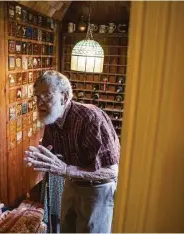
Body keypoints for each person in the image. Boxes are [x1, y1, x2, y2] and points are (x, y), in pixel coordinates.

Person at [24, 70, 120, 233]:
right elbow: (56, 157)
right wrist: (44, 161)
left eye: (46, 95)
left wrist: (66, 169)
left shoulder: (91, 118)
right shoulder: (51, 119)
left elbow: (112, 171)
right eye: (37, 96)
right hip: (72, 183)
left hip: (97, 190)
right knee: (66, 229)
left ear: (65, 96)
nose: (39, 102)